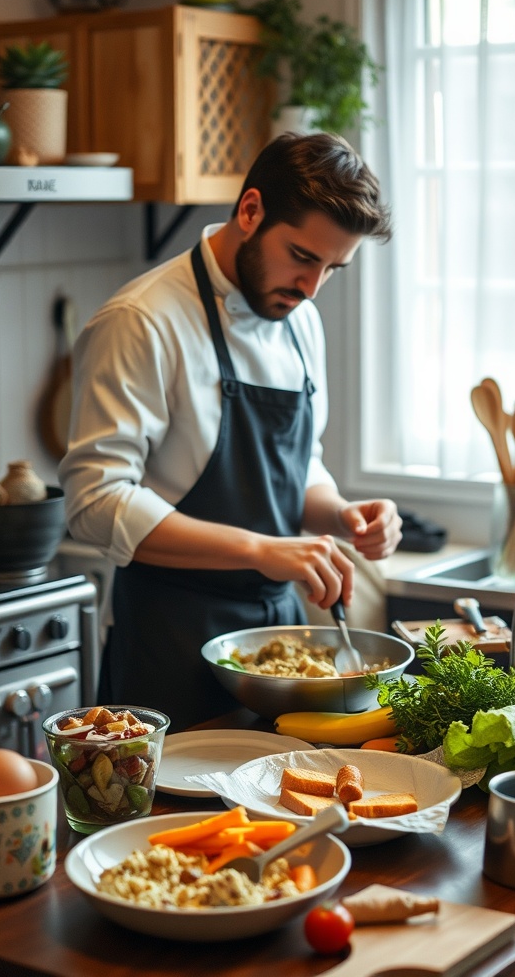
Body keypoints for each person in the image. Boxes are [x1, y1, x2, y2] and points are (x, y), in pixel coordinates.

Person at [59, 131, 402, 731]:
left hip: (280, 650)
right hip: (169, 642)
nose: (311, 288)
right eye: (301, 255)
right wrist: (261, 550)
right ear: (250, 211)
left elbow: (296, 471)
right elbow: (95, 502)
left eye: (333, 268)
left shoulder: (300, 322)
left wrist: (341, 515)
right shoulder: (141, 321)